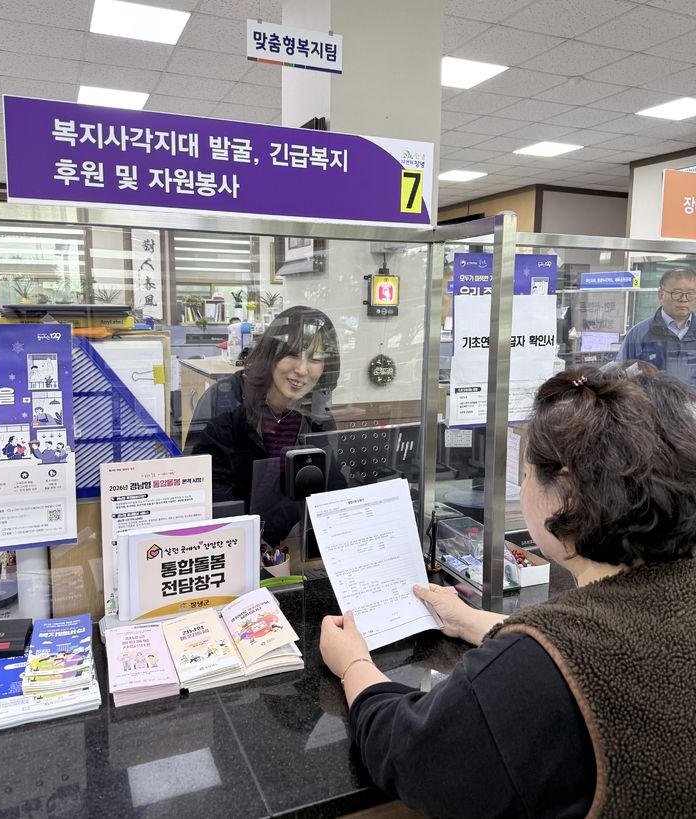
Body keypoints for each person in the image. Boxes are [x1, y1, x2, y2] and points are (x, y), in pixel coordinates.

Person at [320, 364, 696, 817]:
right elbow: (606, 645)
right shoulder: (669, 594)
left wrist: (354, 664)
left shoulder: (528, 672)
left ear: (567, 491)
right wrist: (471, 619)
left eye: (527, 472)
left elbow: (413, 752)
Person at [186, 305, 345, 547]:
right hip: (224, 545)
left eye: (315, 358)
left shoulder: (316, 415)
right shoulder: (227, 401)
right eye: (292, 354)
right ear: (271, 353)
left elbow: (330, 490)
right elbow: (202, 489)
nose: (302, 370)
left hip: (283, 549)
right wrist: (248, 539)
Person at [616, 266, 696, 385]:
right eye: (677, 293)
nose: (684, 299)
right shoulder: (639, 334)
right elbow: (620, 376)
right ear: (661, 295)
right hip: (652, 403)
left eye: (690, 293)